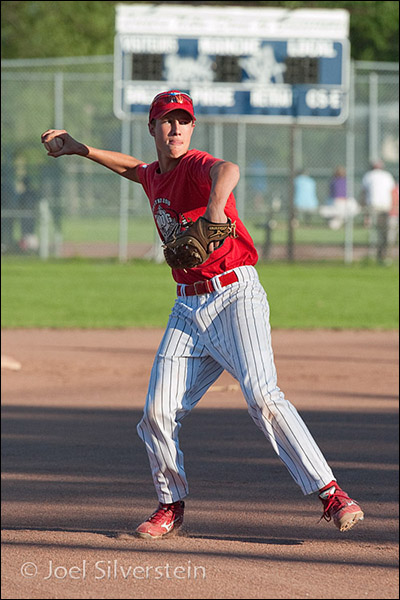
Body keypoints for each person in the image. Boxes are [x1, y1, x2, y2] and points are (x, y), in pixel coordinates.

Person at [41, 90, 364, 539]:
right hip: (188, 308)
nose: (175, 128)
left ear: (192, 129)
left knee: (262, 397)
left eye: (183, 121)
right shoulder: (155, 175)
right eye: (166, 121)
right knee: (157, 410)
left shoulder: (195, 165)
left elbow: (227, 169)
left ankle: (331, 493)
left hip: (235, 296)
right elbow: (133, 168)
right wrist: (81, 149)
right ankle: (170, 505)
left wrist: (214, 206)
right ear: (152, 128)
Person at [361, 160, 396, 263]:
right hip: (385, 207)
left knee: (375, 232)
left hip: (373, 206)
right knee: (383, 233)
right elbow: (393, 193)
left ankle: (376, 255)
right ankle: (382, 256)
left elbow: (363, 193)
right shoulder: (387, 176)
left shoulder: (368, 175)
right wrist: (393, 208)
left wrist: (365, 214)